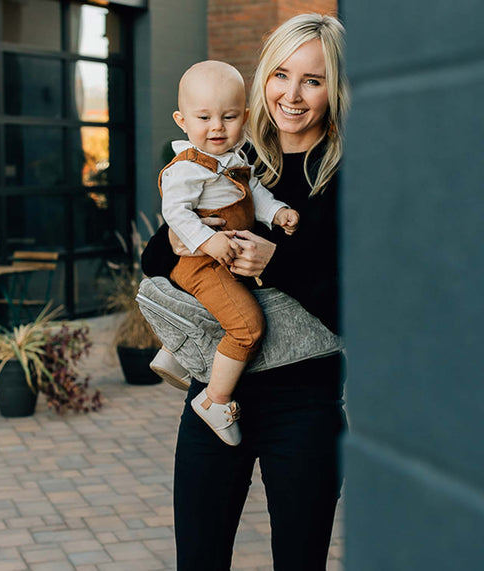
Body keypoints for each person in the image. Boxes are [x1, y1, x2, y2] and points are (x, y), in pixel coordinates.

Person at [141, 13, 350, 570]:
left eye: (314, 79)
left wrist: (278, 262)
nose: (293, 94)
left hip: (305, 400)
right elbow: (155, 257)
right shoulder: (229, 157)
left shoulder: (350, 175)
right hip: (217, 396)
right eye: (281, 74)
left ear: (336, 88)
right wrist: (204, 239)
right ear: (263, 80)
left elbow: (359, 308)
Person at [154, 60, 300, 447]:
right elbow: (175, 213)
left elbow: (255, 195)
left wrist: (276, 213)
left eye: (229, 116)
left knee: (226, 305)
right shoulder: (185, 168)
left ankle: (174, 353)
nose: (217, 126)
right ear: (181, 120)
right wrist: (206, 240)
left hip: (224, 261)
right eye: (204, 117)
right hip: (202, 263)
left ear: (245, 117)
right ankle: (215, 399)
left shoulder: (235, 157)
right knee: (247, 325)